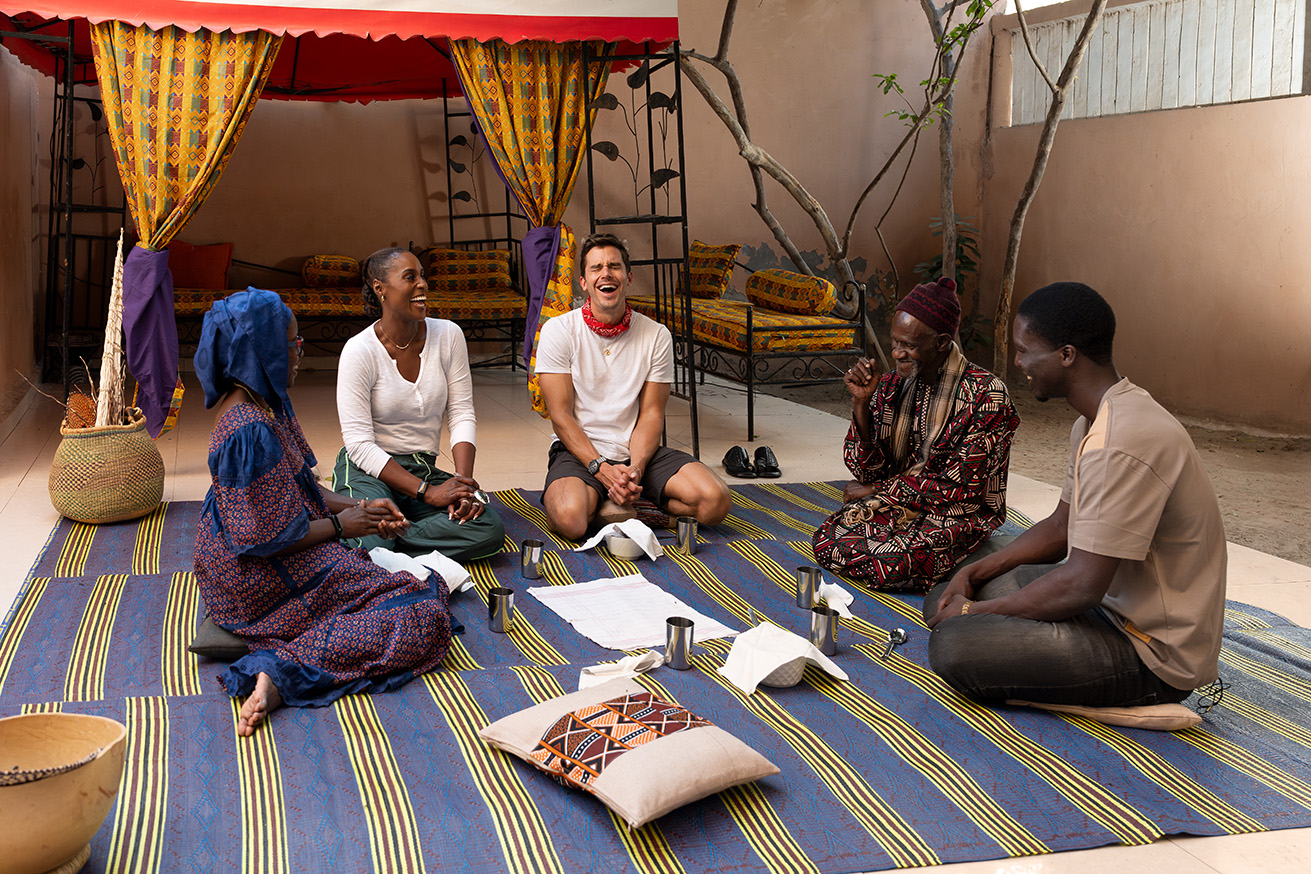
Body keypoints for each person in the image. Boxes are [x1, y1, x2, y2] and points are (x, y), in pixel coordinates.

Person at [924, 281, 1226, 709]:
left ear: (1067, 355)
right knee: (960, 584)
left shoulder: (1120, 441)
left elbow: (1082, 584)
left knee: (955, 646)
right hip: (1108, 608)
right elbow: (1060, 528)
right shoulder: (1093, 422)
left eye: (1025, 350)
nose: (1018, 362)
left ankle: (1131, 699)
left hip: (1151, 654)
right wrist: (974, 576)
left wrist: (973, 615)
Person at [192, 288, 459, 737]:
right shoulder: (248, 430)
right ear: (264, 350)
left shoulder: (267, 403)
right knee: (420, 612)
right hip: (255, 579)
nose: (300, 353)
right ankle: (282, 671)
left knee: (386, 583)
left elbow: (302, 489)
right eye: (293, 345)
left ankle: (287, 657)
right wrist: (340, 526)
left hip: (275, 554)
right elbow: (262, 538)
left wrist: (361, 507)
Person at [811, 277, 1019, 591]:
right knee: (829, 538)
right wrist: (861, 404)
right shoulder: (894, 385)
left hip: (959, 515)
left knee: (887, 562)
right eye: (894, 342)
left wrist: (876, 489)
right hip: (899, 502)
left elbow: (960, 489)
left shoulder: (987, 397)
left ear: (941, 342)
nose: (897, 353)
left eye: (908, 346)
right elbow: (866, 470)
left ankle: (963, 561)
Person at [535, 232, 731, 540]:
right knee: (571, 520)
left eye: (614, 266)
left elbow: (652, 414)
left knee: (714, 502)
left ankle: (626, 500)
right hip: (579, 453)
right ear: (583, 282)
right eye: (596, 268)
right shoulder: (558, 331)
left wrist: (635, 469)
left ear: (628, 277)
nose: (606, 274)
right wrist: (600, 467)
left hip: (638, 454)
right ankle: (613, 501)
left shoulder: (656, 335)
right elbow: (560, 416)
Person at [332, 247, 505, 561]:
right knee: (374, 540)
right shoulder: (359, 351)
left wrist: (462, 485)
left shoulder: (448, 335)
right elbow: (358, 444)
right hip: (367, 471)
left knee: (489, 528)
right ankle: (383, 538)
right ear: (379, 288)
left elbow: (462, 411)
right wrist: (429, 493)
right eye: (410, 277)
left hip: (421, 465)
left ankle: (389, 538)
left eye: (422, 276)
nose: (422, 284)